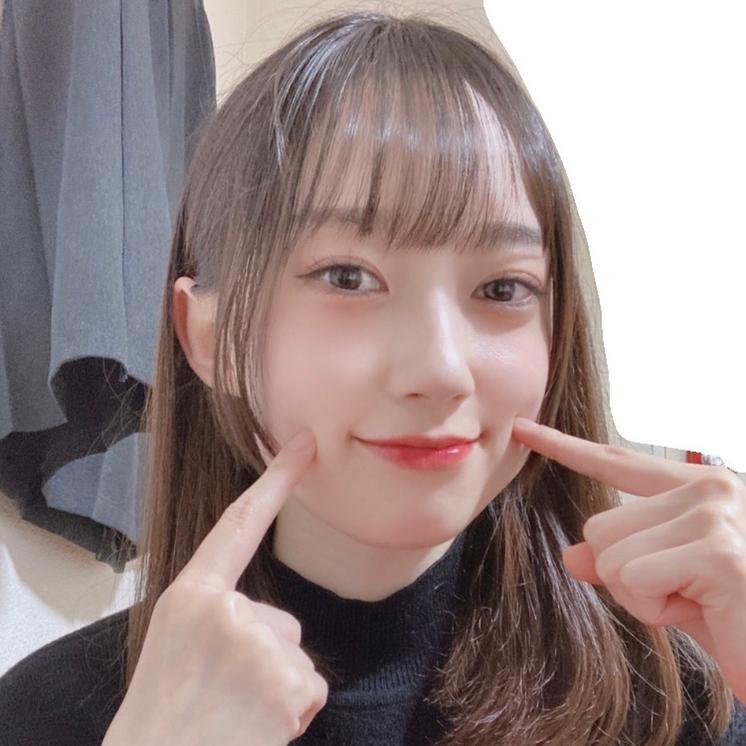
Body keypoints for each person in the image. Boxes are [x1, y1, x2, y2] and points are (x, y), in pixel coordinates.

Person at [1, 9, 745, 745]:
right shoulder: (50, 717)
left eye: (503, 288)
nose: (441, 371)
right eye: (347, 277)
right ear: (209, 335)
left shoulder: (678, 697)